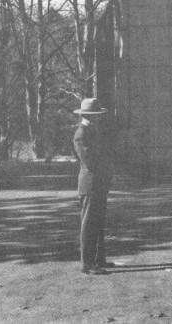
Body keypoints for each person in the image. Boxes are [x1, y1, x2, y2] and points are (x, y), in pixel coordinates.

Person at [72, 98, 113, 275]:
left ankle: (98, 259)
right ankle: (87, 264)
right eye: (96, 115)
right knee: (89, 224)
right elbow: (90, 160)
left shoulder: (92, 131)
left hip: (98, 182)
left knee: (98, 223)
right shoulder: (82, 134)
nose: (99, 118)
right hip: (90, 184)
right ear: (88, 116)